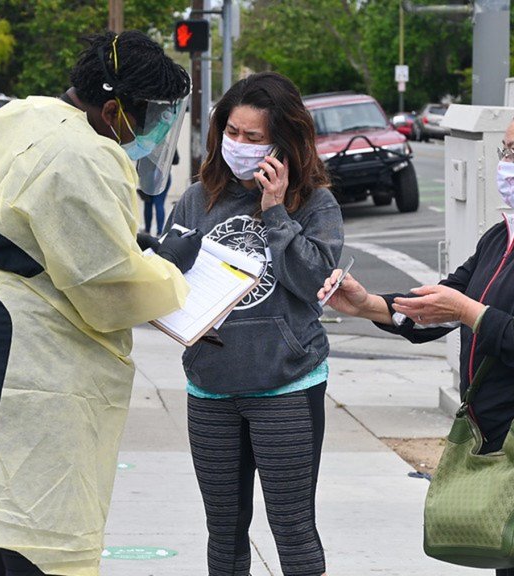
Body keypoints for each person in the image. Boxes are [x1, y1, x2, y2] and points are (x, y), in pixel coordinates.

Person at [0, 30, 200, 576]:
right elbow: (106, 288)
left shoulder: (27, 114)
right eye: (147, 117)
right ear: (113, 109)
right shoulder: (86, 153)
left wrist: (124, 245)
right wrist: (168, 266)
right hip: (20, 362)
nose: (151, 130)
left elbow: (26, 224)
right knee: (42, 540)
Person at [319, 91, 514, 576]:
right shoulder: (507, 232)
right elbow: (445, 300)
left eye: (513, 152)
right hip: (506, 431)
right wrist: (368, 305)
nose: (503, 163)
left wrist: (469, 312)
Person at [166, 71, 343, 576]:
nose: (238, 145)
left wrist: (274, 212)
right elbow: (169, 283)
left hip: (285, 386)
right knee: (223, 530)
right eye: (232, 133)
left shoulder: (315, 204)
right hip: (210, 386)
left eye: (253, 137)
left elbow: (314, 281)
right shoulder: (198, 198)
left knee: (292, 528)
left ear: (282, 144)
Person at [142, 150, 178, 235]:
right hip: (164, 175)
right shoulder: (167, 144)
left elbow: (141, 163)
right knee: (159, 203)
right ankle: (160, 231)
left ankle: (147, 230)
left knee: (148, 203)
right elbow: (176, 160)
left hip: (148, 175)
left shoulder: (148, 142)